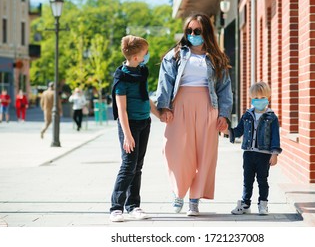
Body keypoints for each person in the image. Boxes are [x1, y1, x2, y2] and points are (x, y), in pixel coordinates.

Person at [155, 13, 233, 216]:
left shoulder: (217, 58)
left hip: (208, 107)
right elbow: (165, 81)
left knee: (205, 154)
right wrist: (164, 107)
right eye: (189, 31)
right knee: (174, 150)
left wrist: (224, 115)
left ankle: (194, 200)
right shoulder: (176, 54)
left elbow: (225, 89)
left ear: (206, 32)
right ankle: (178, 192)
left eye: (197, 31)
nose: (192, 34)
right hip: (180, 106)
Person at [109, 35, 160, 222]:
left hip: (144, 123)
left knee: (138, 166)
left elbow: (145, 98)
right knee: (128, 166)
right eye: (145, 53)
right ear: (137, 57)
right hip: (128, 126)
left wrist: (159, 115)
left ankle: (133, 206)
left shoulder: (142, 71)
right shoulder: (122, 78)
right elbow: (121, 109)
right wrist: (127, 136)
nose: (148, 56)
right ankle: (116, 208)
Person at [226, 81, 282, 215]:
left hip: (264, 155)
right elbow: (239, 130)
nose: (259, 101)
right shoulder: (247, 115)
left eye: (262, 98)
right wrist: (229, 131)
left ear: (268, 98)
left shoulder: (272, 117)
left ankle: (263, 204)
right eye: (256, 98)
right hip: (249, 154)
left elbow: (275, 136)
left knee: (262, 180)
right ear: (252, 98)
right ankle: (245, 205)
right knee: (247, 180)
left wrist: (274, 154)